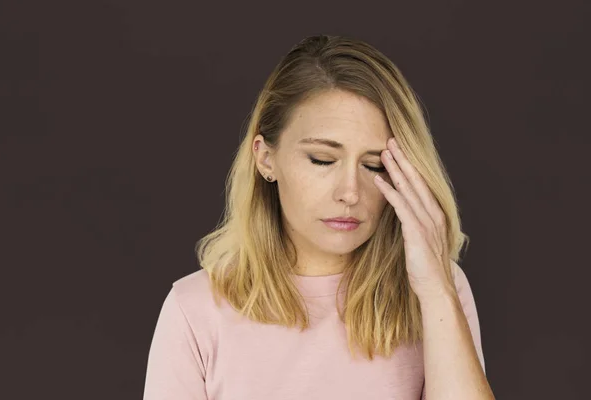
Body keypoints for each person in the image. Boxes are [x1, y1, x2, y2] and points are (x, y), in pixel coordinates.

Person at [143, 34, 494, 399]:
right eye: (323, 160)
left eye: (374, 165)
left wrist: (437, 291)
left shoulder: (437, 289)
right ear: (266, 159)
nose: (351, 192)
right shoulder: (194, 310)